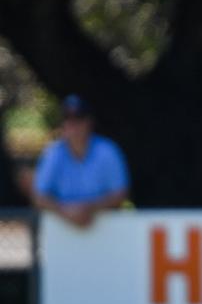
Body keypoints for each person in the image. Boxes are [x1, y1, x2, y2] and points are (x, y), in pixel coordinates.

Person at [31, 95, 129, 228]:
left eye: (79, 120)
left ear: (89, 122)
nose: (74, 127)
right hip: (61, 232)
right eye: (68, 120)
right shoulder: (53, 153)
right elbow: (40, 197)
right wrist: (66, 212)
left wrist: (89, 209)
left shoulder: (107, 151)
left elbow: (120, 194)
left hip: (106, 230)